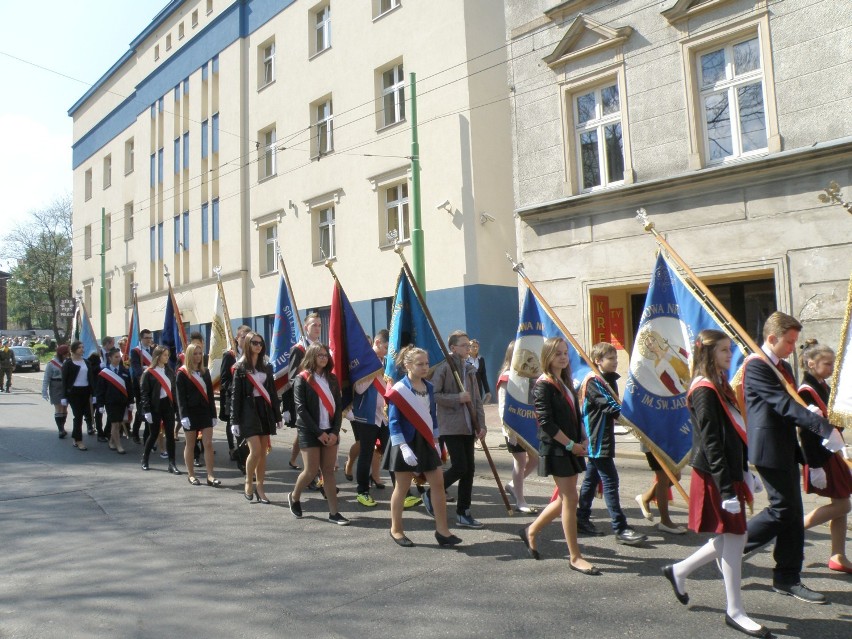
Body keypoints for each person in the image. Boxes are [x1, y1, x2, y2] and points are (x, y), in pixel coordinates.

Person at [662, 330, 771, 638]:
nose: (729, 354)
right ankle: (735, 611)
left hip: (727, 472)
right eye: (724, 350)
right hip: (714, 475)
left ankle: (678, 570)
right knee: (736, 537)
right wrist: (726, 488)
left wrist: (746, 471)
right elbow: (712, 444)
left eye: (729, 349)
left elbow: (733, 435)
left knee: (730, 537)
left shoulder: (720, 385)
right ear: (708, 354)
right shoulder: (704, 389)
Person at [742, 312, 842, 604]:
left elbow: (792, 404)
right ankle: (733, 544)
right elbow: (782, 402)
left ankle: (787, 576)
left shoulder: (781, 366)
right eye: (788, 342)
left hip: (785, 447)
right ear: (771, 338)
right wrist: (821, 427)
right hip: (768, 448)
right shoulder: (757, 365)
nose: (791, 348)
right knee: (782, 511)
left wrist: (812, 421)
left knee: (793, 515)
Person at [519, 337, 598, 575]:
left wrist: (583, 435)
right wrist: (571, 445)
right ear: (547, 357)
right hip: (557, 448)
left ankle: (531, 531)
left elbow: (575, 413)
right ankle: (575, 556)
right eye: (557, 354)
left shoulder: (564, 381)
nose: (563, 357)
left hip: (571, 445)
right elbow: (547, 423)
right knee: (570, 499)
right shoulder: (543, 384)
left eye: (565, 353)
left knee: (566, 499)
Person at [385, 345, 462, 547]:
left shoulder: (428, 387)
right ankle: (396, 529)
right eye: (420, 364)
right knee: (401, 487)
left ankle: (442, 531)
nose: (425, 367)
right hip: (405, 442)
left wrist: (436, 442)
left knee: (437, 484)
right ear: (408, 365)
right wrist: (402, 447)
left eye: (426, 363)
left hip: (426, 441)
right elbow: (393, 422)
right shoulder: (399, 390)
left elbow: (432, 417)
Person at [576, 342, 647, 545]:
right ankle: (620, 527)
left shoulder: (607, 380)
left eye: (616, 358)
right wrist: (634, 418)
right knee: (610, 481)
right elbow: (610, 406)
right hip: (596, 437)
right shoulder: (593, 381)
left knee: (591, 480)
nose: (616, 362)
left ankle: (581, 517)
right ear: (598, 361)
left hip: (605, 435)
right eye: (611, 359)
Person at [797, 340, 852, 574]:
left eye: (832, 363)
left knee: (840, 504)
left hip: (831, 454)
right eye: (826, 364)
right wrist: (815, 465)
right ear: (812, 363)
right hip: (820, 457)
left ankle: (837, 555)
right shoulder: (805, 391)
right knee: (843, 504)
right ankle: (794, 531)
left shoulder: (823, 386)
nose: (831, 368)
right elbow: (806, 432)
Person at [425, 330, 487, 529]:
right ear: (453, 348)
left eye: (469, 345)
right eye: (464, 345)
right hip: (451, 426)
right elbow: (435, 395)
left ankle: (464, 512)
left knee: (469, 470)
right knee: (460, 466)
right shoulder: (445, 368)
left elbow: (476, 399)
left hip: (469, 426)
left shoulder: (469, 369)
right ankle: (431, 492)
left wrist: (482, 425)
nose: (468, 349)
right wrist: (456, 399)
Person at [288, 342, 348, 524]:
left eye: (325, 355)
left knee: (328, 471)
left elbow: (338, 408)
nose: (324, 357)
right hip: (309, 430)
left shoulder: (331, 379)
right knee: (311, 470)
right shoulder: (302, 378)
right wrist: (318, 433)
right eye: (320, 354)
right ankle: (295, 497)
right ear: (311, 356)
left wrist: (335, 432)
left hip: (330, 430)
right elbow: (301, 409)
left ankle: (334, 512)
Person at [231, 332, 281, 503]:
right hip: (248, 412)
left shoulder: (266, 366)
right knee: (256, 451)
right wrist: (234, 420)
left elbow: (272, 393)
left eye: (260, 343)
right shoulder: (240, 368)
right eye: (254, 343)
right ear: (247, 344)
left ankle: (260, 487)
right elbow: (235, 396)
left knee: (263, 453)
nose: (258, 346)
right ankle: (248, 481)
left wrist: (277, 415)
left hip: (264, 410)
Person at [349, 330, 390, 507]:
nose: (388, 350)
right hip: (366, 414)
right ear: (378, 342)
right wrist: (374, 371)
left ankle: (403, 492)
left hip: (384, 415)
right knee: (366, 453)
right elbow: (358, 388)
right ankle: (362, 491)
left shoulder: (386, 361)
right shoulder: (365, 360)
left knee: (392, 450)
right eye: (386, 346)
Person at [497, 341, 538, 514]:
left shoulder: (530, 377)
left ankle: (514, 485)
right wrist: (509, 430)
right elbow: (502, 405)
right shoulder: (507, 377)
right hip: (513, 426)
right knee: (520, 462)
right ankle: (520, 500)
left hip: (530, 424)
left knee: (535, 458)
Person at [282, 313, 323, 470]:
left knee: (306, 434)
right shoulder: (299, 350)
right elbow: (292, 378)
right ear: (306, 327)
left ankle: (293, 459)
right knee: (309, 434)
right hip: (307, 401)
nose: (317, 328)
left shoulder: (321, 348)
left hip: (321, 399)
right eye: (314, 325)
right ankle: (312, 475)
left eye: (319, 325)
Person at [177, 343, 220, 487]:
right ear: (189, 355)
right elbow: (180, 397)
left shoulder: (205, 372)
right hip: (190, 413)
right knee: (190, 444)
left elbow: (209, 394)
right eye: (195, 353)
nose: (198, 356)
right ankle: (191, 475)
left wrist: (214, 414)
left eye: (200, 353)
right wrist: (183, 416)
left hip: (205, 412)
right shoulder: (182, 373)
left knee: (207, 443)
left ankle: (210, 475)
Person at [139, 345, 181, 475]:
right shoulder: (149, 373)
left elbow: (173, 390)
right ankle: (145, 459)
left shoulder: (169, 371)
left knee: (170, 435)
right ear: (157, 356)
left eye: (168, 355)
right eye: (164, 355)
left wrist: (176, 407)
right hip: (154, 406)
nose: (167, 357)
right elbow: (144, 393)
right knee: (154, 434)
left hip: (167, 405)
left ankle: (172, 463)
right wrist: (147, 410)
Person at [219, 324, 251, 461]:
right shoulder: (229, 355)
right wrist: (236, 389)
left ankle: (245, 450)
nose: (246, 340)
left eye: (249, 338)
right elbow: (224, 379)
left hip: (248, 398)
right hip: (232, 396)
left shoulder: (251, 355)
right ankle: (232, 448)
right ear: (237, 338)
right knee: (232, 424)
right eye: (243, 337)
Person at [95, 347, 132, 455]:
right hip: (110, 402)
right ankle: (119, 445)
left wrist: (130, 401)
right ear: (110, 358)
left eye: (119, 357)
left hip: (122, 402)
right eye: (116, 357)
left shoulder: (124, 371)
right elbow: (100, 390)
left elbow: (129, 388)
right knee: (115, 424)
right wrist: (100, 404)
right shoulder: (104, 373)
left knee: (119, 423)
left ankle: (111, 441)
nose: (118, 359)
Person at [61, 341, 96, 450]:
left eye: (82, 347)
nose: (82, 349)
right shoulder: (68, 363)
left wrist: (94, 394)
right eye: (79, 347)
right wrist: (64, 396)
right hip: (74, 392)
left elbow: (91, 379)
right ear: (74, 349)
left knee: (88, 414)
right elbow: (64, 381)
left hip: (85, 391)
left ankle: (75, 437)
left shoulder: (86, 362)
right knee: (78, 416)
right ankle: (79, 440)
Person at [130, 329, 154, 444]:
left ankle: (148, 435)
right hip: (140, 384)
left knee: (151, 409)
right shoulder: (136, 351)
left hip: (153, 384)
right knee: (141, 409)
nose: (149, 340)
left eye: (150, 337)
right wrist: (143, 373)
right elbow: (136, 368)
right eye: (146, 338)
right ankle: (135, 432)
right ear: (141, 338)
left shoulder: (154, 349)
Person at [42, 344, 70, 438]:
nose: (67, 355)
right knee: (58, 407)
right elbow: (46, 378)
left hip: (65, 385)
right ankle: (60, 429)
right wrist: (44, 391)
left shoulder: (68, 362)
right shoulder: (51, 364)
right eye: (66, 353)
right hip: (55, 385)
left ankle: (62, 426)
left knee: (64, 408)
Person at [468, 339, 491, 403]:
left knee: (478, 406)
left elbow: (483, 376)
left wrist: (487, 391)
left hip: (478, 388)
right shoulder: (465, 359)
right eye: (473, 346)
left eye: (477, 347)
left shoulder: (481, 359)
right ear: (469, 347)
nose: (475, 348)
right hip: (468, 388)